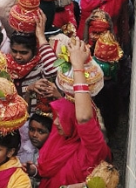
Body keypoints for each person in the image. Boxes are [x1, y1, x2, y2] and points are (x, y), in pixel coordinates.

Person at [36, 39, 111, 188]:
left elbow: (84, 118)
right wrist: (34, 172)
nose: (55, 122)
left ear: (74, 121)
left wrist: (78, 66)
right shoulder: (62, 136)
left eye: (62, 119)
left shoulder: (93, 149)